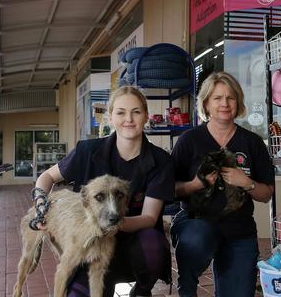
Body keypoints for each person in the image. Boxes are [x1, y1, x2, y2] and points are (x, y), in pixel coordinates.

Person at [31, 86, 174, 297]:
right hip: (90, 247)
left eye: (136, 111)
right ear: (110, 117)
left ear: (145, 115)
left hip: (134, 248)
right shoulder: (86, 151)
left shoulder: (161, 161)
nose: (129, 119)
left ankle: (142, 291)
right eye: (121, 112)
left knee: (152, 244)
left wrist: (113, 223)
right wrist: (40, 206)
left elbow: (149, 217)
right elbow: (47, 177)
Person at [170, 71, 275, 297]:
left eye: (230, 98)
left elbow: (266, 194)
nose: (224, 104)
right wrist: (196, 184)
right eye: (217, 98)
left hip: (239, 229)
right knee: (198, 238)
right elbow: (170, 189)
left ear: (238, 102)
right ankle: (187, 284)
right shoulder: (189, 140)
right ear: (206, 104)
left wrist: (246, 183)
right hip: (196, 223)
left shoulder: (252, 142)